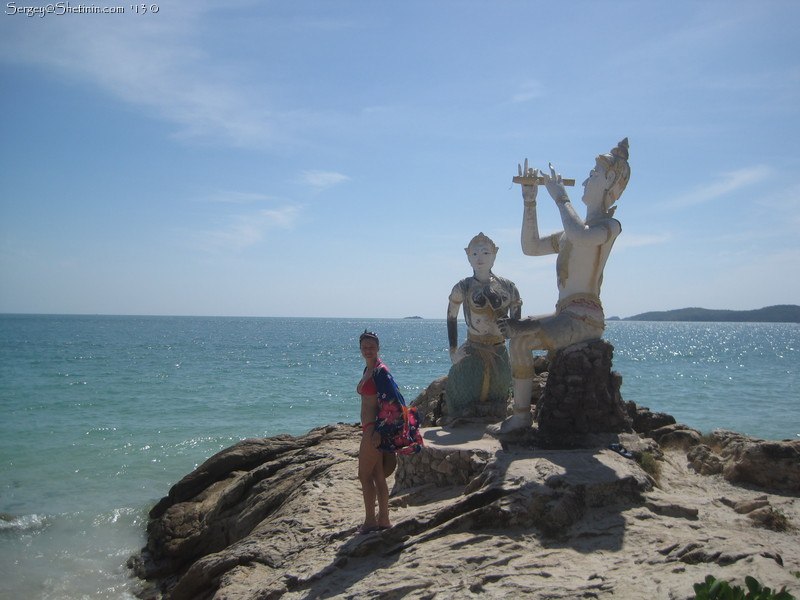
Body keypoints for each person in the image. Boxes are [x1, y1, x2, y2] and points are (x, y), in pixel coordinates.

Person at [498, 139, 630, 433]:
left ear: (609, 180)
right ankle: (520, 417)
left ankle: (521, 419)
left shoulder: (608, 227)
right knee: (518, 333)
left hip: (585, 318)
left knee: (521, 338)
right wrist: (529, 201)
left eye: (593, 174)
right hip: (565, 314)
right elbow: (530, 247)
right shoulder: (572, 232)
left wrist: (561, 198)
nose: (585, 180)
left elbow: (582, 235)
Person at [446, 233, 522, 418]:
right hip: (473, 348)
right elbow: (451, 317)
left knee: (498, 395)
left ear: (494, 255)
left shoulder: (508, 286)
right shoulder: (462, 287)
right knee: (466, 396)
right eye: (474, 254)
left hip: (499, 349)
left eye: (486, 253)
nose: (480, 258)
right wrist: (453, 352)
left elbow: (516, 326)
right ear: (468, 256)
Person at [356, 331, 422, 534]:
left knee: (364, 475)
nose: (368, 350)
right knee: (376, 475)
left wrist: (378, 431)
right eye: (364, 346)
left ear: (378, 348)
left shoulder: (380, 371)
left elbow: (393, 401)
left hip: (373, 430)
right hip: (370, 428)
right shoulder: (368, 369)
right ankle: (383, 519)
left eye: (371, 346)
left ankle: (370, 522)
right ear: (360, 349)